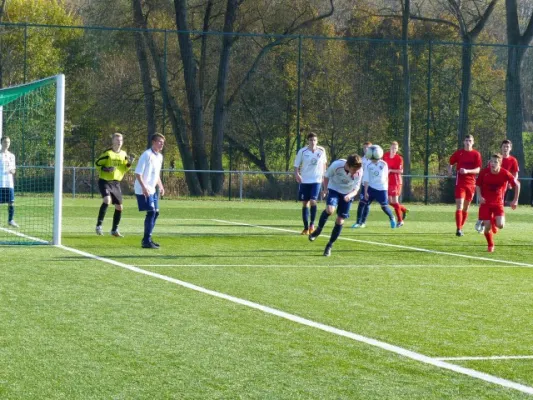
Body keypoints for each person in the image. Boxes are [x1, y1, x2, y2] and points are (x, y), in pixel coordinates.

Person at [308, 154, 363, 256]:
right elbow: (326, 176)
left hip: (347, 193)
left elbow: (356, 189)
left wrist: (349, 195)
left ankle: (329, 245)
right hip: (334, 189)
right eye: (354, 170)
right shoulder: (337, 165)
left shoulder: (359, 171)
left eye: (357, 170)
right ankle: (318, 230)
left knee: (340, 220)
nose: (355, 172)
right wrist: (325, 190)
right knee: (330, 210)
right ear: (348, 165)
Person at [475, 153, 520, 252]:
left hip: (498, 203)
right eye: (492, 161)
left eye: (495, 162)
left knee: (501, 225)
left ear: (500, 163)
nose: (493, 163)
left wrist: (515, 200)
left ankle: (491, 221)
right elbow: (477, 185)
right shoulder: (484, 172)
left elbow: (517, 185)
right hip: (485, 203)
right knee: (487, 227)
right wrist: (479, 196)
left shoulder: (505, 173)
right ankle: (490, 244)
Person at [94, 132, 135, 237]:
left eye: (121, 140)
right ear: (112, 141)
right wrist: (106, 169)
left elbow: (126, 168)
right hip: (105, 181)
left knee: (119, 207)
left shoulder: (124, 154)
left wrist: (130, 163)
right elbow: (97, 164)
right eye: (117, 140)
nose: (119, 142)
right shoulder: (108, 154)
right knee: (107, 200)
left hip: (116, 183)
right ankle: (99, 226)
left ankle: (114, 230)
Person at [474, 139, 519, 233]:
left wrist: (511, 183)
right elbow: (486, 173)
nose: (505, 148)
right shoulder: (496, 158)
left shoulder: (513, 160)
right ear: (501, 148)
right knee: (488, 202)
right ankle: (482, 219)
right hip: (492, 185)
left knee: (498, 205)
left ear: (510, 148)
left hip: (504, 186)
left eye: (507, 146)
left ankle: (488, 222)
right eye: (504, 146)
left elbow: (515, 174)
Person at [135, 133, 165, 249]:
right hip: (143, 189)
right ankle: (146, 241)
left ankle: (148, 238)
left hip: (152, 190)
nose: (161, 144)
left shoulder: (160, 157)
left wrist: (161, 186)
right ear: (153, 142)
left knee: (155, 212)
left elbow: (156, 175)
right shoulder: (146, 155)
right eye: (159, 142)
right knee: (151, 212)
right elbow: (138, 173)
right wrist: (143, 187)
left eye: (163, 143)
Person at [447, 134, 482, 237]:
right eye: (466, 140)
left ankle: (461, 227)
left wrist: (467, 171)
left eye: (470, 141)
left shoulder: (476, 154)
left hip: (471, 184)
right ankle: (458, 229)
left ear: (473, 142)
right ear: (464, 142)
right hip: (460, 183)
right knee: (459, 206)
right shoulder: (459, 153)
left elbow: (478, 169)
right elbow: (450, 163)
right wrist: (449, 171)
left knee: (466, 208)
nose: (468, 142)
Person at [294, 132, 327, 235]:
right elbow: (296, 165)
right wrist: (297, 174)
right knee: (305, 203)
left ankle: (312, 225)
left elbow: (324, 164)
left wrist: (323, 176)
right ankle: (305, 228)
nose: (313, 142)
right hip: (305, 180)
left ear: (317, 141)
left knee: (313, 201)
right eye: (311, 140)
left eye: (314, 140)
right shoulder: (302, 151)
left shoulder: (321, 150)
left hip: (316, 180)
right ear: (308, 141)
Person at [359, 146, 397, 229]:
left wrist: (386, 190)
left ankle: (392, 217)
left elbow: (386, 178)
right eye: (372, 159)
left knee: (384, 207)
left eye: (375, 159)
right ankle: (362, 223)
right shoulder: (368, 165)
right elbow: (366, 179)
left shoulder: (384, 164)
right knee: (365, 204)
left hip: (381, 189)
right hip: (371, 188)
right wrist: (365, 192)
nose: (373, 160)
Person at [383, 141, 409, 227]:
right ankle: (403, 209)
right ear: (390, 148)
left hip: (396, 182)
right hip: (387, 181)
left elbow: (401, 171)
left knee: (395, 201)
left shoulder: (399, 158)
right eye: (392, 147)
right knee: (389, 201)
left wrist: (390, 170)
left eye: (395, 148)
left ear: (397, 149)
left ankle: (400, 221)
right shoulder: (385, 156)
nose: (394, 149)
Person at [352, 141, 373, 228]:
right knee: (361, 203)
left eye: (368, 148)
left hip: (372, 185)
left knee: (367, 203)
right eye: (364, 148)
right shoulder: (361, 160)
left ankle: (363, 222)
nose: (366, 149)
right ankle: (358, 222)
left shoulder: (375, 160)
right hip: (364, 184)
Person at [0, 136, 18, 227]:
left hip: (9, 183)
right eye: (5, 142)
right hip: (0, 182)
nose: (7, 144)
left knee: (11, 201)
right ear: (1, 143)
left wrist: (13, 171)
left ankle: (10, 220)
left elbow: (14, 169)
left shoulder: (12, 156)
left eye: (8, 142)